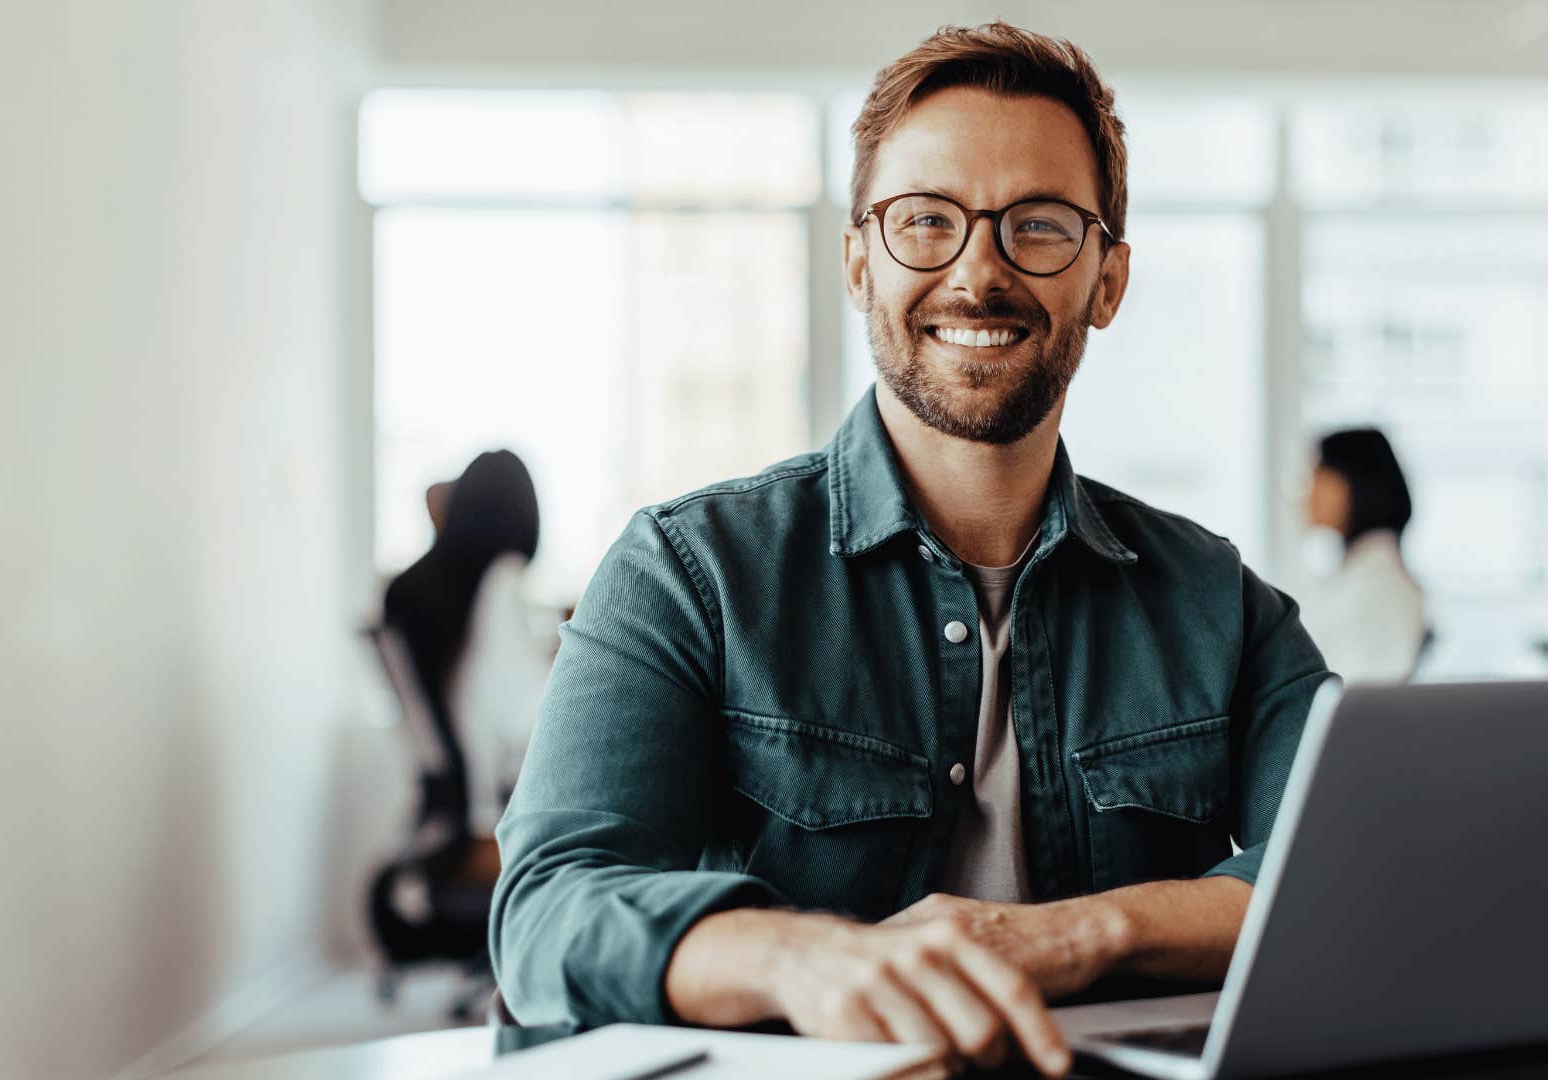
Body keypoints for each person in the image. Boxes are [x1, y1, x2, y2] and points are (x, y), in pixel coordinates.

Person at [490, 23, 1329, 1078]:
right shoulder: (689, 572)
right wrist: (800, 958)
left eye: (1038, 225)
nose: (978, 273)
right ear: (857, 262)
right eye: (926, 221)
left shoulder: (1221, 604)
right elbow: (548, 911)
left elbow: (1352, 872)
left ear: (1106, 282)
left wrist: (1074, 933)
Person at [383, 448, 546, 838]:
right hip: (492, 815)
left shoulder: (409, 590)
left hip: (442, 811)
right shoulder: (501, 583)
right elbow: (521, 720)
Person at [1296, 428, 1426, 684]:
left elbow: (1357, 699)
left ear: (1352, 483)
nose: (1306, 493)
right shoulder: (1360, 573)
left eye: (1318, 475)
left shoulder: (1381, 586)